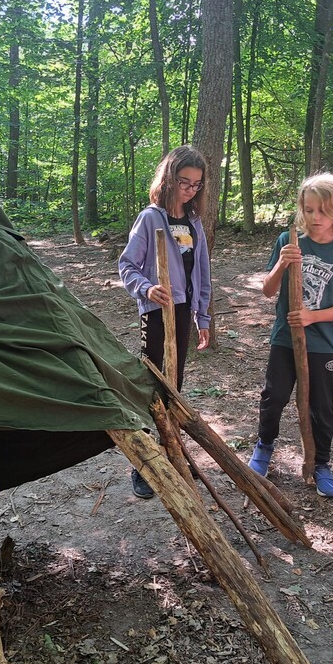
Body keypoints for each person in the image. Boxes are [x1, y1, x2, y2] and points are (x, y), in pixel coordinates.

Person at [247, 173, 333, 498]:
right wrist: (281, 265)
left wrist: (313, 316)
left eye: (322, 211)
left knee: (321, 407)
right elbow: (268, 290)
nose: (315, 217)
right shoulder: (289, 241)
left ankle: (321, 463)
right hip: (285, 339)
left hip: (322, 344)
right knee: (274, 397)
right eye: (309, 210)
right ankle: (264, 447)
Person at [119, 145, 212, 499]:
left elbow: (202, 274)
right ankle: (144, 463)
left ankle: (172, 450)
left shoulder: (194, 224)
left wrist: (203, 316)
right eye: (184, 182)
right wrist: (147, 288)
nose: (189, 190)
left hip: (183, 312)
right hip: (156, 312)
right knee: (152, 385)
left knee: (175, 384)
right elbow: (127, 265)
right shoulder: (150, 218)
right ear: (169, 178)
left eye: (196, 185)